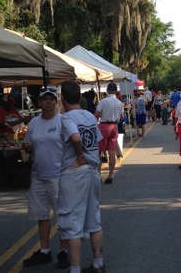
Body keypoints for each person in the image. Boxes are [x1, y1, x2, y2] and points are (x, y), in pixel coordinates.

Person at [58, 80, 105, 273]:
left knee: (72, 224)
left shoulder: (67, 118)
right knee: (94, 220)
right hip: (92, 171)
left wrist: (79, 154)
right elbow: (97, 141)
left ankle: (75, 269)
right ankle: (98, 262)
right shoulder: (89, 116)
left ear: (62, 98)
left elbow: (76, 138)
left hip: (75, 172)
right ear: (79, 97)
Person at [21, 87, 69, 269]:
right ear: (39, 102)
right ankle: (44, 251)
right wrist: (27, 148)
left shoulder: (63, 121)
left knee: (62, 215)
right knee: (42, 215)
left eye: (51, 98)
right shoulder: (33, 123)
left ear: (56, 102)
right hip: (38, 175)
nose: (48, 102)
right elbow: (30, 146)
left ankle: (63, 251)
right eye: (44, 99)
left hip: (58, 175)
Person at [95, 82, 124, 184]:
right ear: (116, 91)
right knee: (112, 152)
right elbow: (121, 117)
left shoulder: (103, 101)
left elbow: (96, 115)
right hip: (114, 126)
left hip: (103, 126)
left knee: (99, 152)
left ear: (107, 90)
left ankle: (98, 175)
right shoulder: (120, 103)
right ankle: (110, 175)